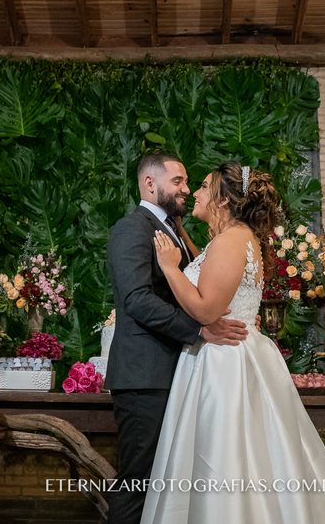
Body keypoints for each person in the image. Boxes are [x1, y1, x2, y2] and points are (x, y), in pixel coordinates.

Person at [141, 161, 325, 523]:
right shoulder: (236, 237)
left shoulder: (230, 241)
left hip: (223, 364)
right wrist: (181, 235)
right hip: (237, 351)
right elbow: (213, 275)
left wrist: (169, 267)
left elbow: (205, 309)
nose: (195, 192)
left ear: (223, 200)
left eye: (204, 186)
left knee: (223, 455)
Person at [105, 152, 251, 524]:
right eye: (178, 181)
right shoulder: (131, 228)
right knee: (138, 482)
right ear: (149, 183)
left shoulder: (176, 231)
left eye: (188, 182)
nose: (186, 189)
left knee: (167, 482)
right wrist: (200, 329)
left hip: (179, 373)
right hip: (145, 376)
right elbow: (137, 299)